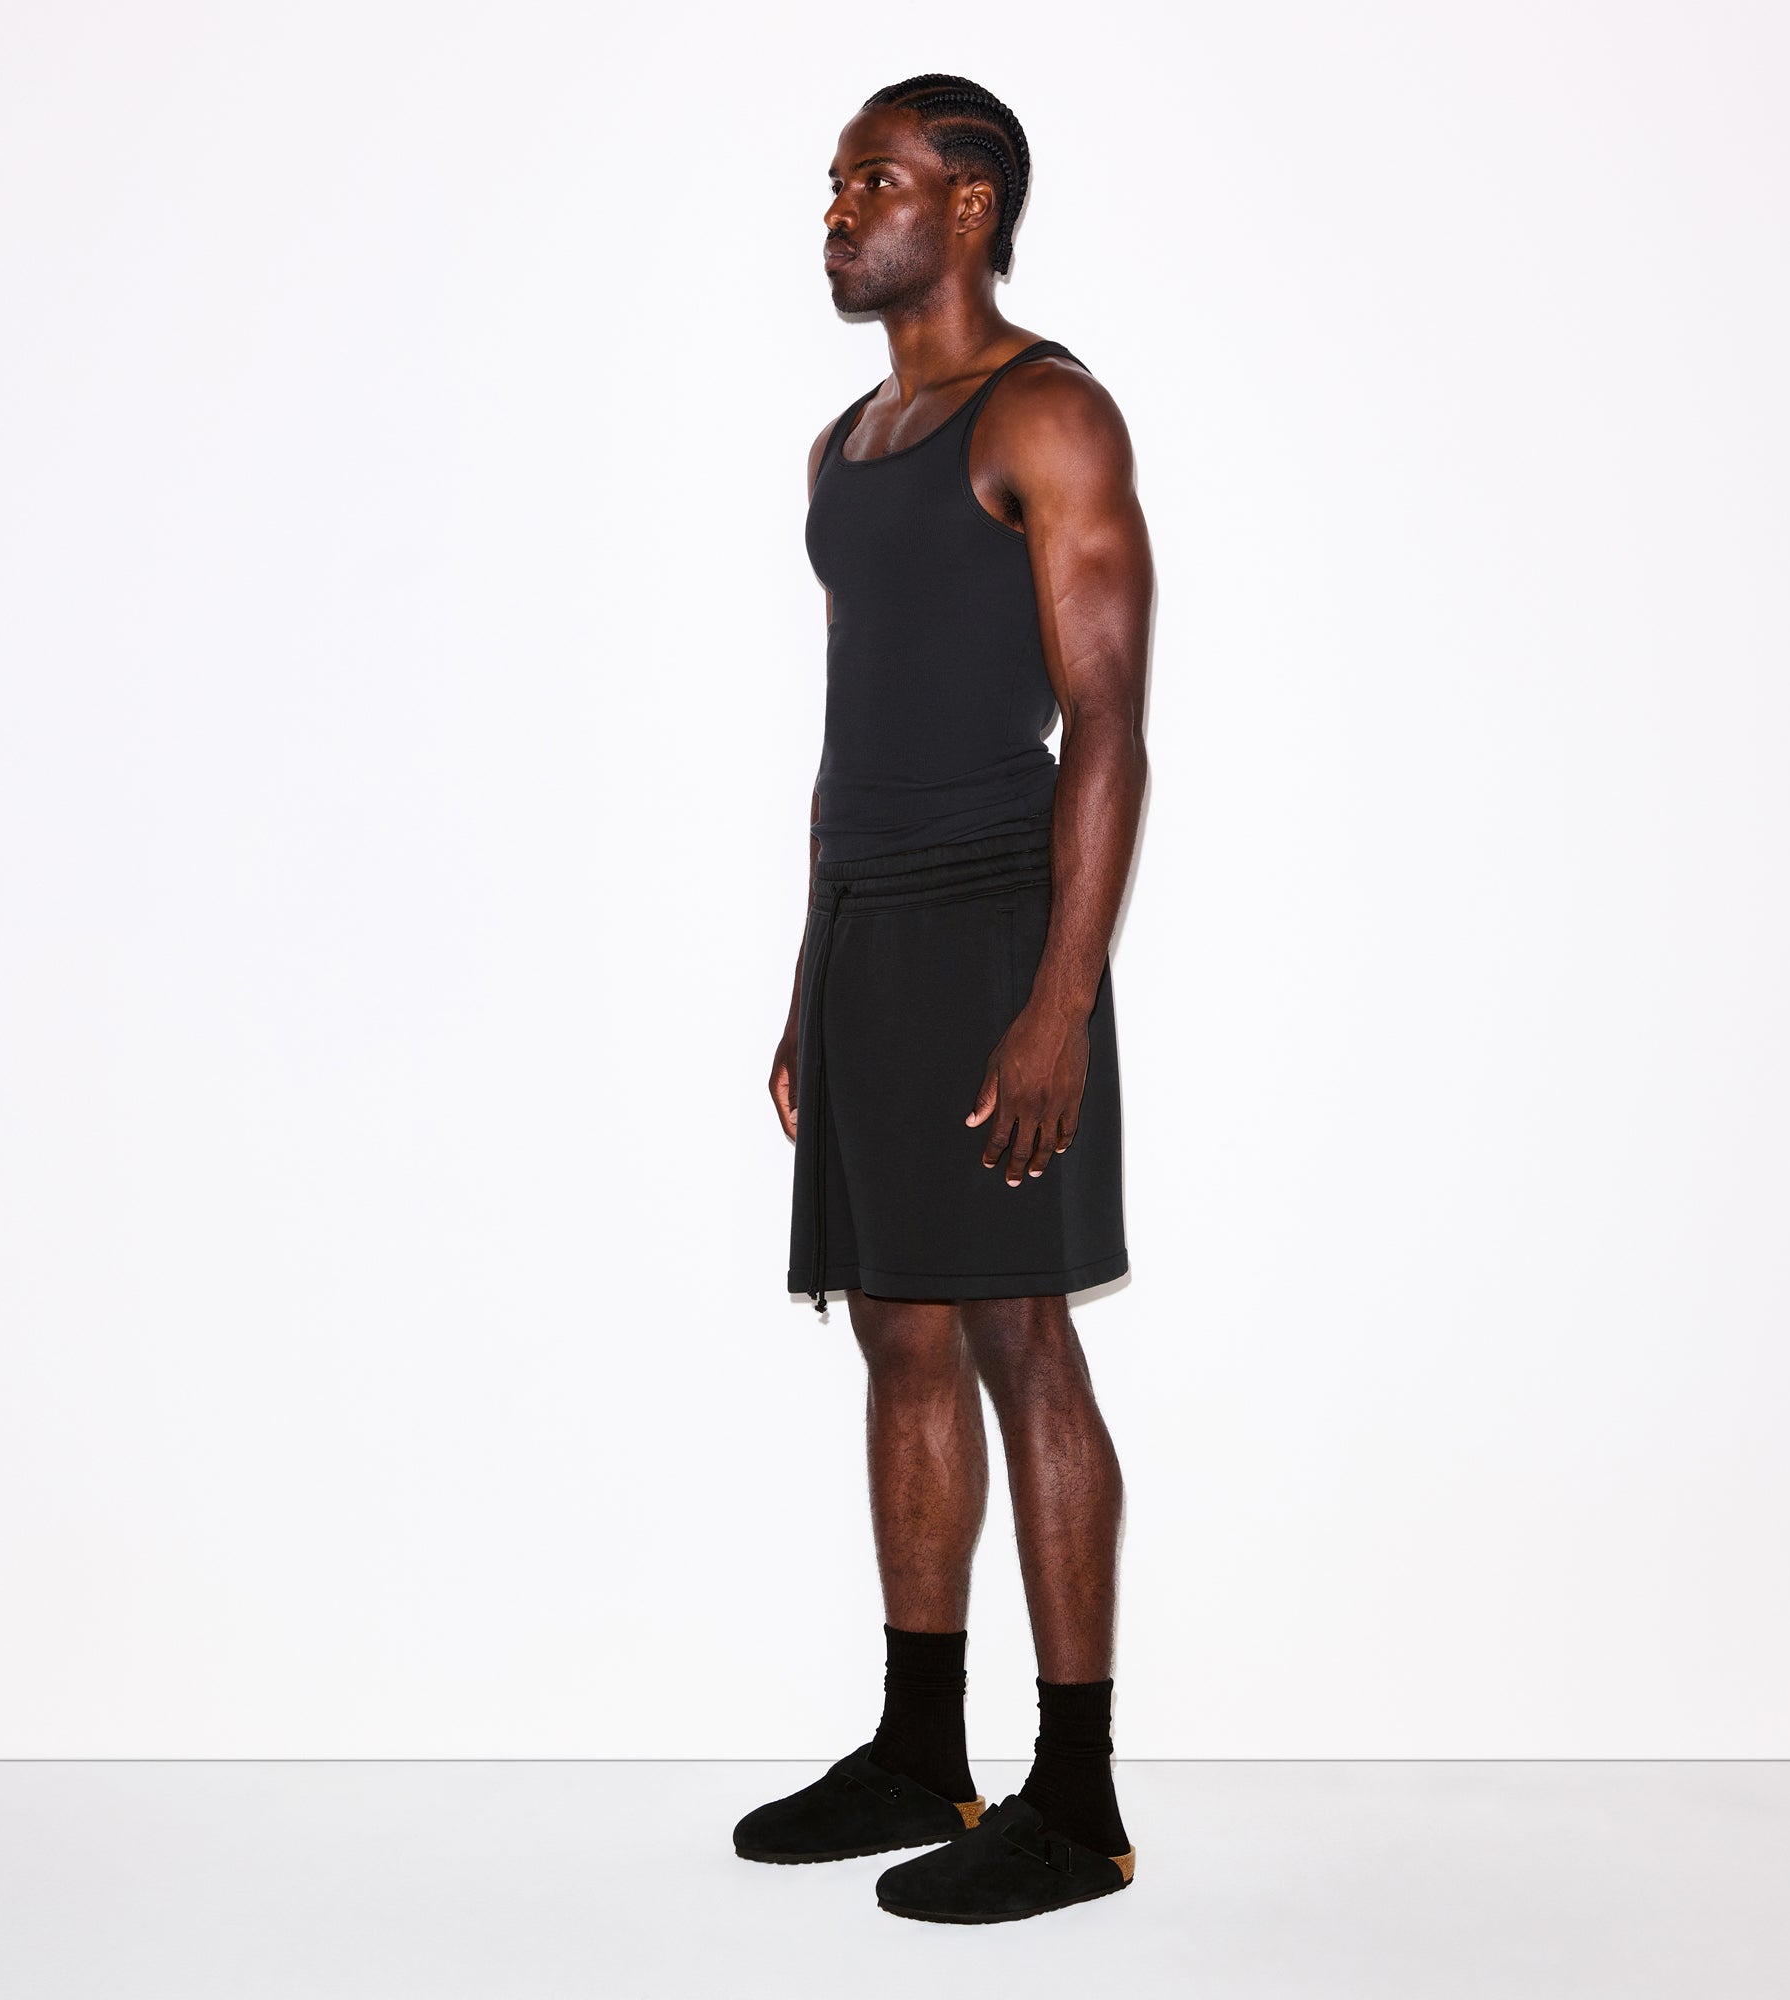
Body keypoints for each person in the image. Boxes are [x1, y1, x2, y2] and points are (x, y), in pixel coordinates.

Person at [733, 74, 1153, 1926]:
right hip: (869, 933)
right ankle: (922, 1750)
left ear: (970, 207)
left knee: (1020, 1337)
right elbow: (850, 731)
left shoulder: (1046, 412)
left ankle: (1078, 1800)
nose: (841, 212)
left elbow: (1110, 727)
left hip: (1000, 926)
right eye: (835, 184)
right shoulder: (844, 447)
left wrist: (1060, 1000)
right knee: (898, 1333)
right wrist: (807, 975)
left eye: (876, 181)